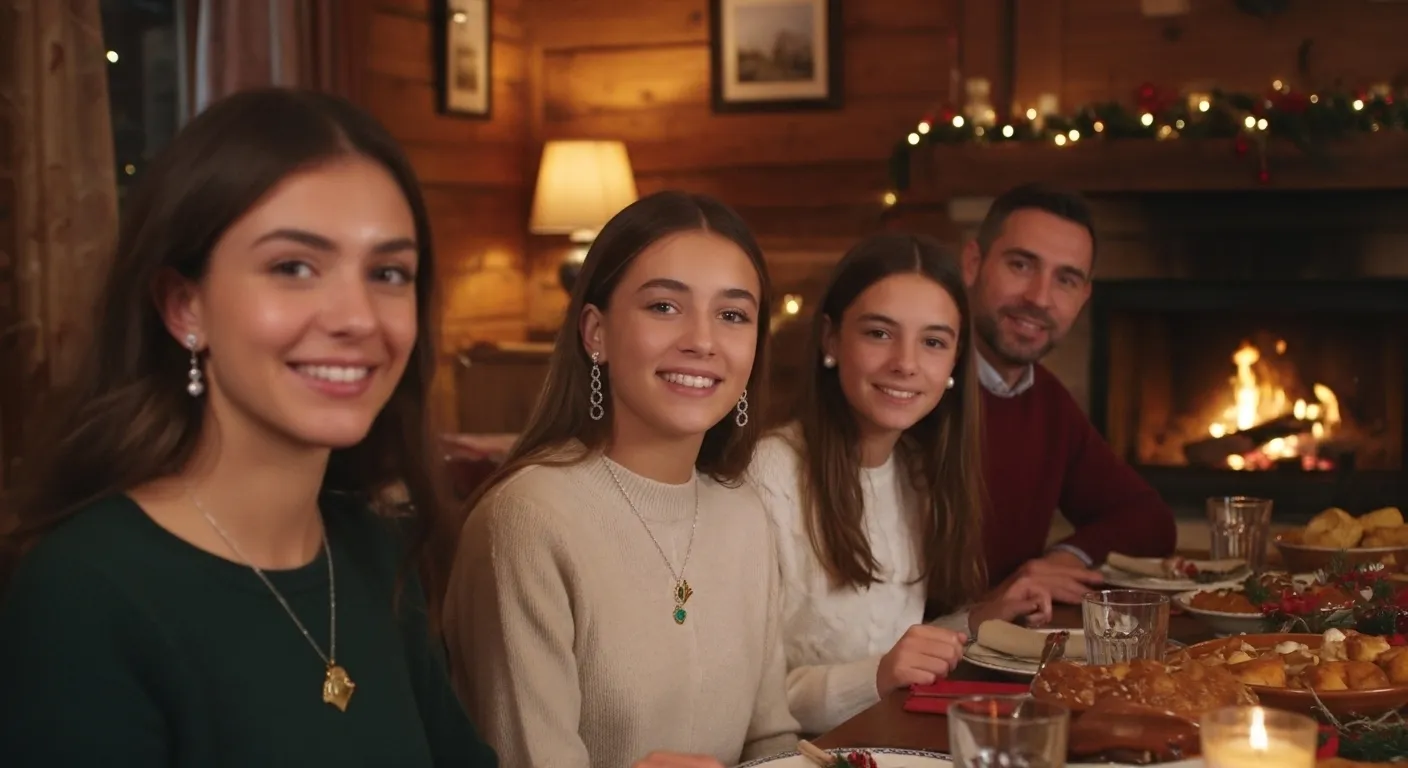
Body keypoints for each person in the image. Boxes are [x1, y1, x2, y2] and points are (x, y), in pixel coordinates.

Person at [0, 88, 496, 767]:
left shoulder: (377, 551)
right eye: (293, 267)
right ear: (184, 306)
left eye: (388, 272)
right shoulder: (84, 594)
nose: (356, 316)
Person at [443, 191, 799, 768]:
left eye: (733, 315)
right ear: (595, 332)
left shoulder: (744, 512)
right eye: (664, 307)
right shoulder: (527, 518)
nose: (703, 341)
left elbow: (772, 742)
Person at [748, 233, 1053, 734]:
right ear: (830, 340)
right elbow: (744, 704)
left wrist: (977, 622)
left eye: (933, 342)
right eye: (879, 334)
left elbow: (892, 649)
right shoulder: (768, 478)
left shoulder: (914, 472)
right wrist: (879, 674)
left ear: (954, 361)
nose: (906, 363)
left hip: (888, 741)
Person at [962, 183, 1177, 603]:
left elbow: (1149, 519)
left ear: (1083, 296)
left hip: (1009, 641)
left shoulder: (1046, 399)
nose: (1039, 297)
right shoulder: (915, 388)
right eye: (1021, 265)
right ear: (973, 263)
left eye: (1066, 279)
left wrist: (1064, 560)